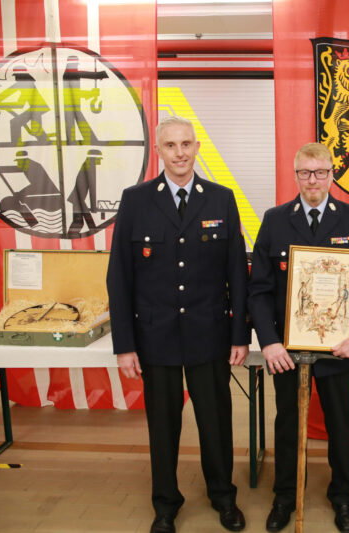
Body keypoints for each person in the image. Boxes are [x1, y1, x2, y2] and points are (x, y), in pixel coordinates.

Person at [107, 115, 249, 533]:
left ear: (197, 148)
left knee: (216, 421)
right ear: (159, 151)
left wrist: (240, 333)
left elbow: (237, 273)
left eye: (187, 144)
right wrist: (125, 345)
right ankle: (165, 504)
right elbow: (120, 276)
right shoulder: (136, 200)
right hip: (156, 338)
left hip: (210, 335)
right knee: (163, 427)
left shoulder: (221, 198)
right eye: (171, 145)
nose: (180, 152)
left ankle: (223, 496)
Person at [248, 142, 349, 533]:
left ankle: (342, 496)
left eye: (321, 172)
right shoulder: (275, 220)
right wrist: (269, 341)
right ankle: (285, 497)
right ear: (295, 176)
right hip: (286, 351)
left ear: (332, 174)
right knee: (287, 424)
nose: (313, 180)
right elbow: (258, 289)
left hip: (339, 349)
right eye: (305, 173)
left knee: (342, 427)